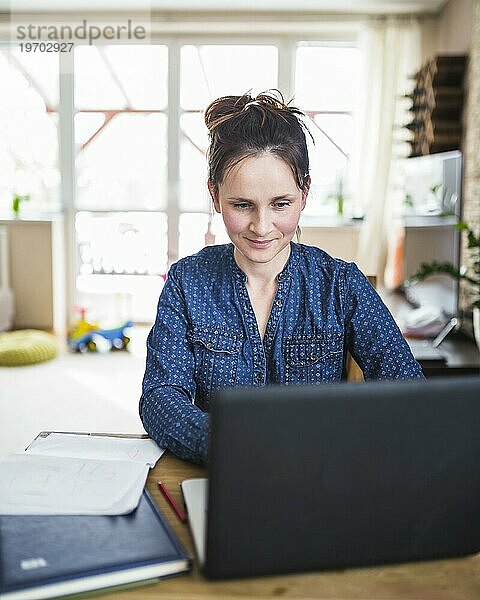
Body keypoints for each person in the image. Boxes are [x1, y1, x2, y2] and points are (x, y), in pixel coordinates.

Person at [139, 90, 423, 465]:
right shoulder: (185, 283)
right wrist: (230, 445)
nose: (261, 226)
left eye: (281, 204)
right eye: (242, 205)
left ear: (304, 193)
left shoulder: (342, 285)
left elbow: (408, 392)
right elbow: (160, 397)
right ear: (215, 194)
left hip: (321, 477)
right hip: (224, 474)